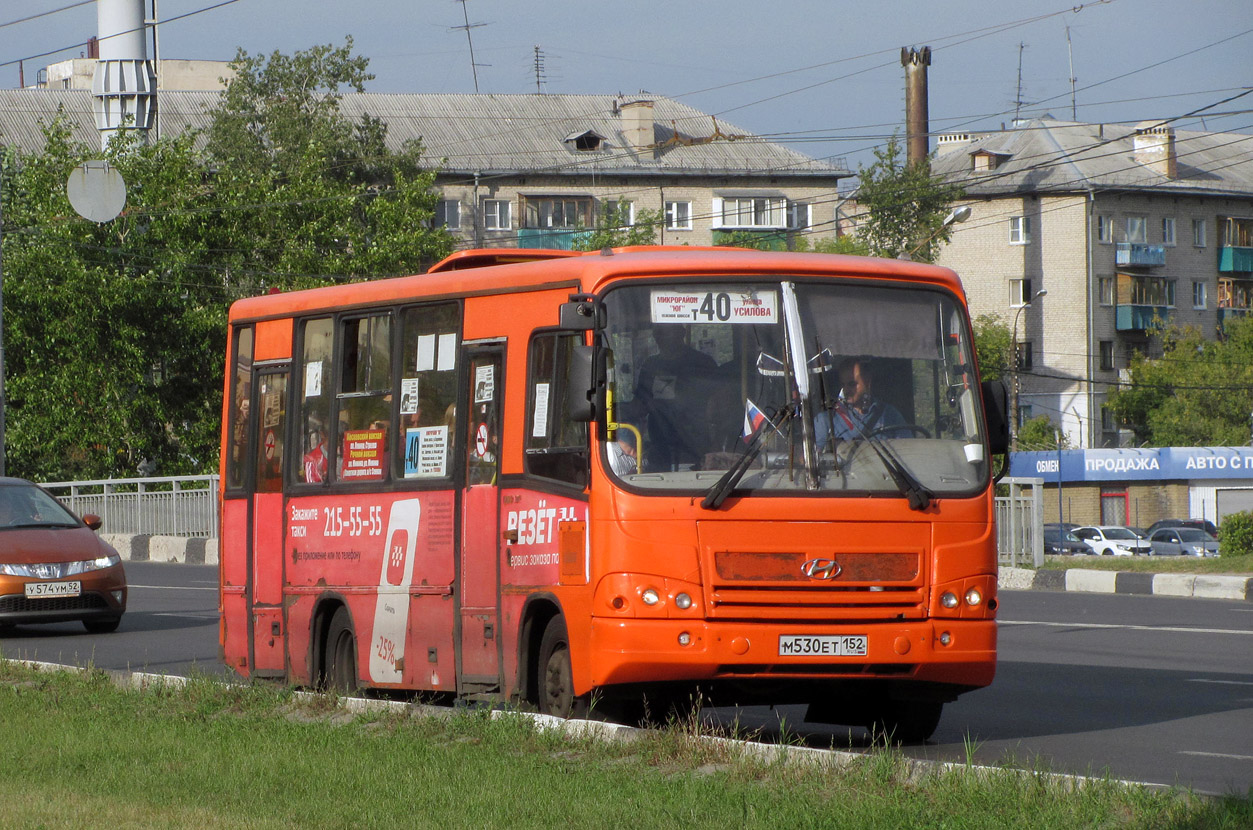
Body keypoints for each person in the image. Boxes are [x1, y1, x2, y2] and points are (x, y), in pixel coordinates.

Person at [634, 324, 717, 471]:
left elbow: (716, 402)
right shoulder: (652, 365)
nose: (661, 339)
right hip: (660, 440)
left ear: (682, 334)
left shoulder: (703, 363)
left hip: (696, 443)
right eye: (658, 335)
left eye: (667, 334)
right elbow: (641, 402)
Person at [815, 357, 906, 449]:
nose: (846, 390)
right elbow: (816, 457)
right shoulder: (826, 421)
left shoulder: (890, 416)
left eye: (852, 384)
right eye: (843, 385)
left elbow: (908, 452)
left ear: (867, 382)